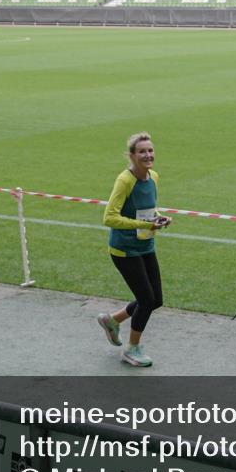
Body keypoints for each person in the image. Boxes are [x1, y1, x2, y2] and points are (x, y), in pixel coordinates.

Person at [96, 132, 172, 367]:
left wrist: (158, 218)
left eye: (150, 150)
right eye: (142, 151)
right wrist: (144, 224)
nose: (147, 155)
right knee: (146, 300)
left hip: (146, 244)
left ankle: (113, 320)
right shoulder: (125, 180)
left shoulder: (154, 177)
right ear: (132, 155)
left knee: (155, 299)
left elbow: (146, 210)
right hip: (124, 249)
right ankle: (132, 349)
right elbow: (109, 218)